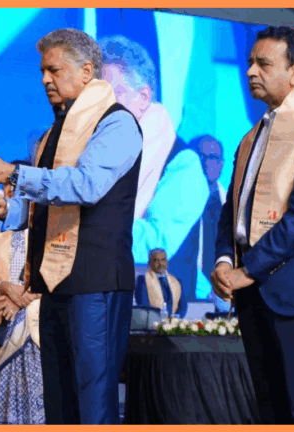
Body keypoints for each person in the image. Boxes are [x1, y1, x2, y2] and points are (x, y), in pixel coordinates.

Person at [0, 28, 143, 425]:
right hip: (54, 281)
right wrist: (6, 210)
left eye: (54, 69)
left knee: (92, 399)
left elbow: (85, 186)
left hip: (94, 280)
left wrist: (12, 173)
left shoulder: (116, 123)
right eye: (42, 71)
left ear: (86, 72)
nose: (45, 79)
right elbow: (42, 207)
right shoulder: (56, 131)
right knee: (60, 401)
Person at [212, 27, 294, 424]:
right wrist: (223, 260)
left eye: (263, 63)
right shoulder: (250, 137)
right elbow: (230, 212)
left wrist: (245, 270)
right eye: (250, 62)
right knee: (269, 410)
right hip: (251, 290)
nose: (250, 70)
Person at [99, 35, 209, 303]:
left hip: (153, 320)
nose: (99, 108)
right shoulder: (93, 152)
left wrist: (90, 223)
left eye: (111, 96)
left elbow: (157, 244)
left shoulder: (183, 163)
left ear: (144, 96)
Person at [0, 160, 44, 425]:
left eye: (17, 184)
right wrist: (6, 289)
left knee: (37, 390)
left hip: (35, 320)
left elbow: (51, 271)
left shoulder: (45, 229)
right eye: (7, 185)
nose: (11, 190)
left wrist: (21, 300)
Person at [191, 135, 231, 308]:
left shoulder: (232, 204)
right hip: (191, 294)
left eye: (213, 157)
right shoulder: (180, 204)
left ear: (221, 163)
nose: (207, 162)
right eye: (202, 156)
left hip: (227, 295)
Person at [135, 248, 187, 318]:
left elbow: (183, 306)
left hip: (173, 324)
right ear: (149, 263)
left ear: (167, 262)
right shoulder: (143, 280)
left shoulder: (177, 281)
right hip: (153, 323)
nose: (160, 263)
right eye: (156, 260)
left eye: (163, 260)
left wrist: (175, 319)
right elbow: (143, 305)